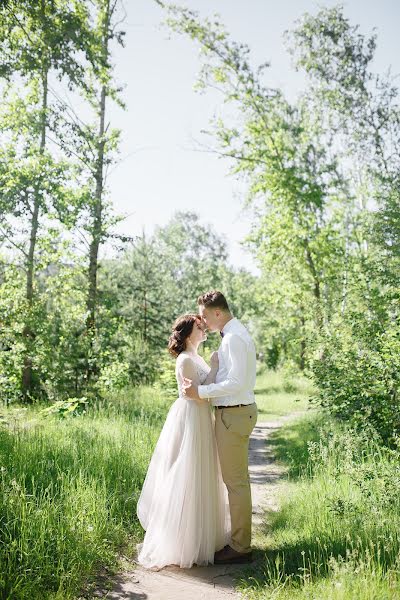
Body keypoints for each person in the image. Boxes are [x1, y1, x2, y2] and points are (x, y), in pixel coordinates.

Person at [136, 313, 230, 569]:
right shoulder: (185, 360)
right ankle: (183, 541)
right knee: (186, 473)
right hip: (191, 417)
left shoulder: (195, 357)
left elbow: (205, 388)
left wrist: (212, 368)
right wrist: (214, 369)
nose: (204, 331)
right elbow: (198, 396)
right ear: (189, 332)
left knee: (202, 474)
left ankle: (202, 535)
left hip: (200, 418)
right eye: (200, 328)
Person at [182, 291, 257, 565]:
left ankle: (240, 548)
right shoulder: (232, 334)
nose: (202, 322)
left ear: (217, 312)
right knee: (236, 481)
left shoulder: (234, 337)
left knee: (235, 483)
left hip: (234, 415)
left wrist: (201, 392)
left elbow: (236, 382)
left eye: (203, 316)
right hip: (234, 414)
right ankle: (240, 542)